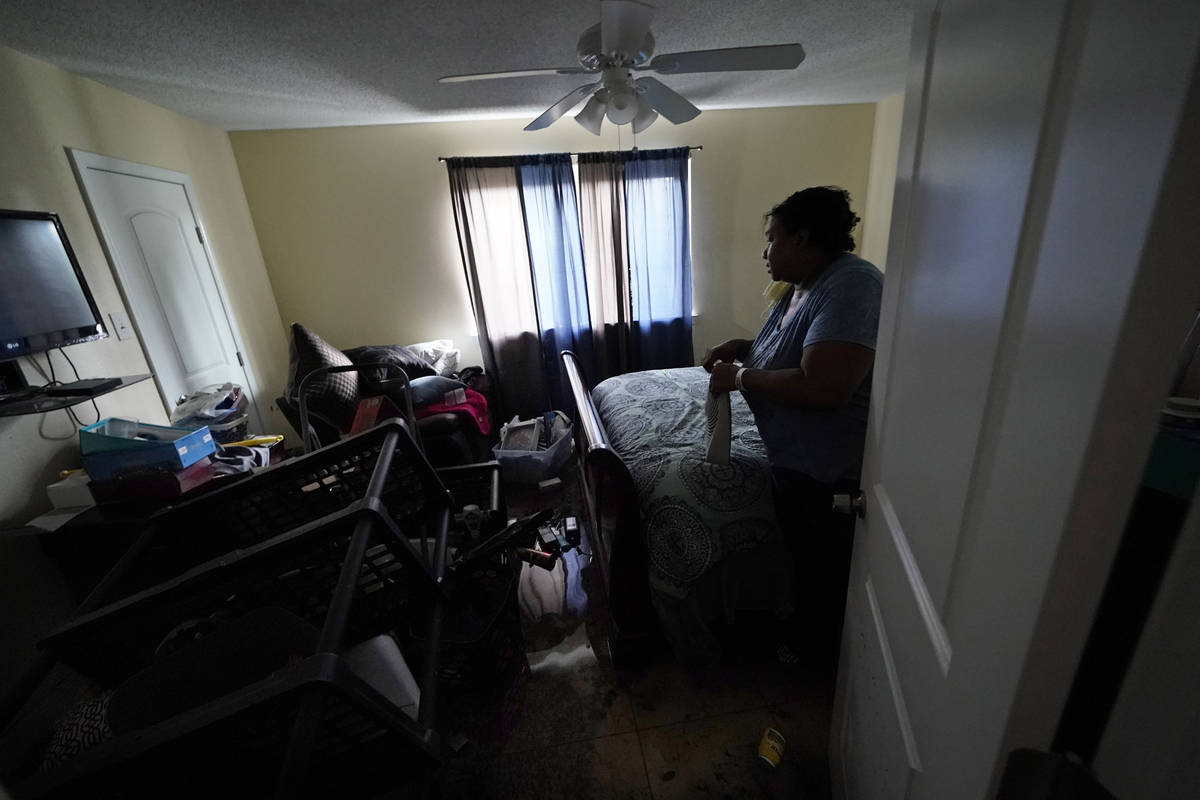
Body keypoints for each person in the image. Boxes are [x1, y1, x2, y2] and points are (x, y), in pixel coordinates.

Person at [703, 186, 883, 664]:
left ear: (801, 240)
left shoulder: (853, 285)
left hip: (828, 469)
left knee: (823, 570)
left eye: (771, 239)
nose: (764, 252)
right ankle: (801, 636)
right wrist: (743, 347)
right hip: (795, 460)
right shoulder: (802, 287)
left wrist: (739, 377)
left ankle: (819, 663)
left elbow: (824, 386)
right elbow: (790, 352)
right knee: (804, 561)